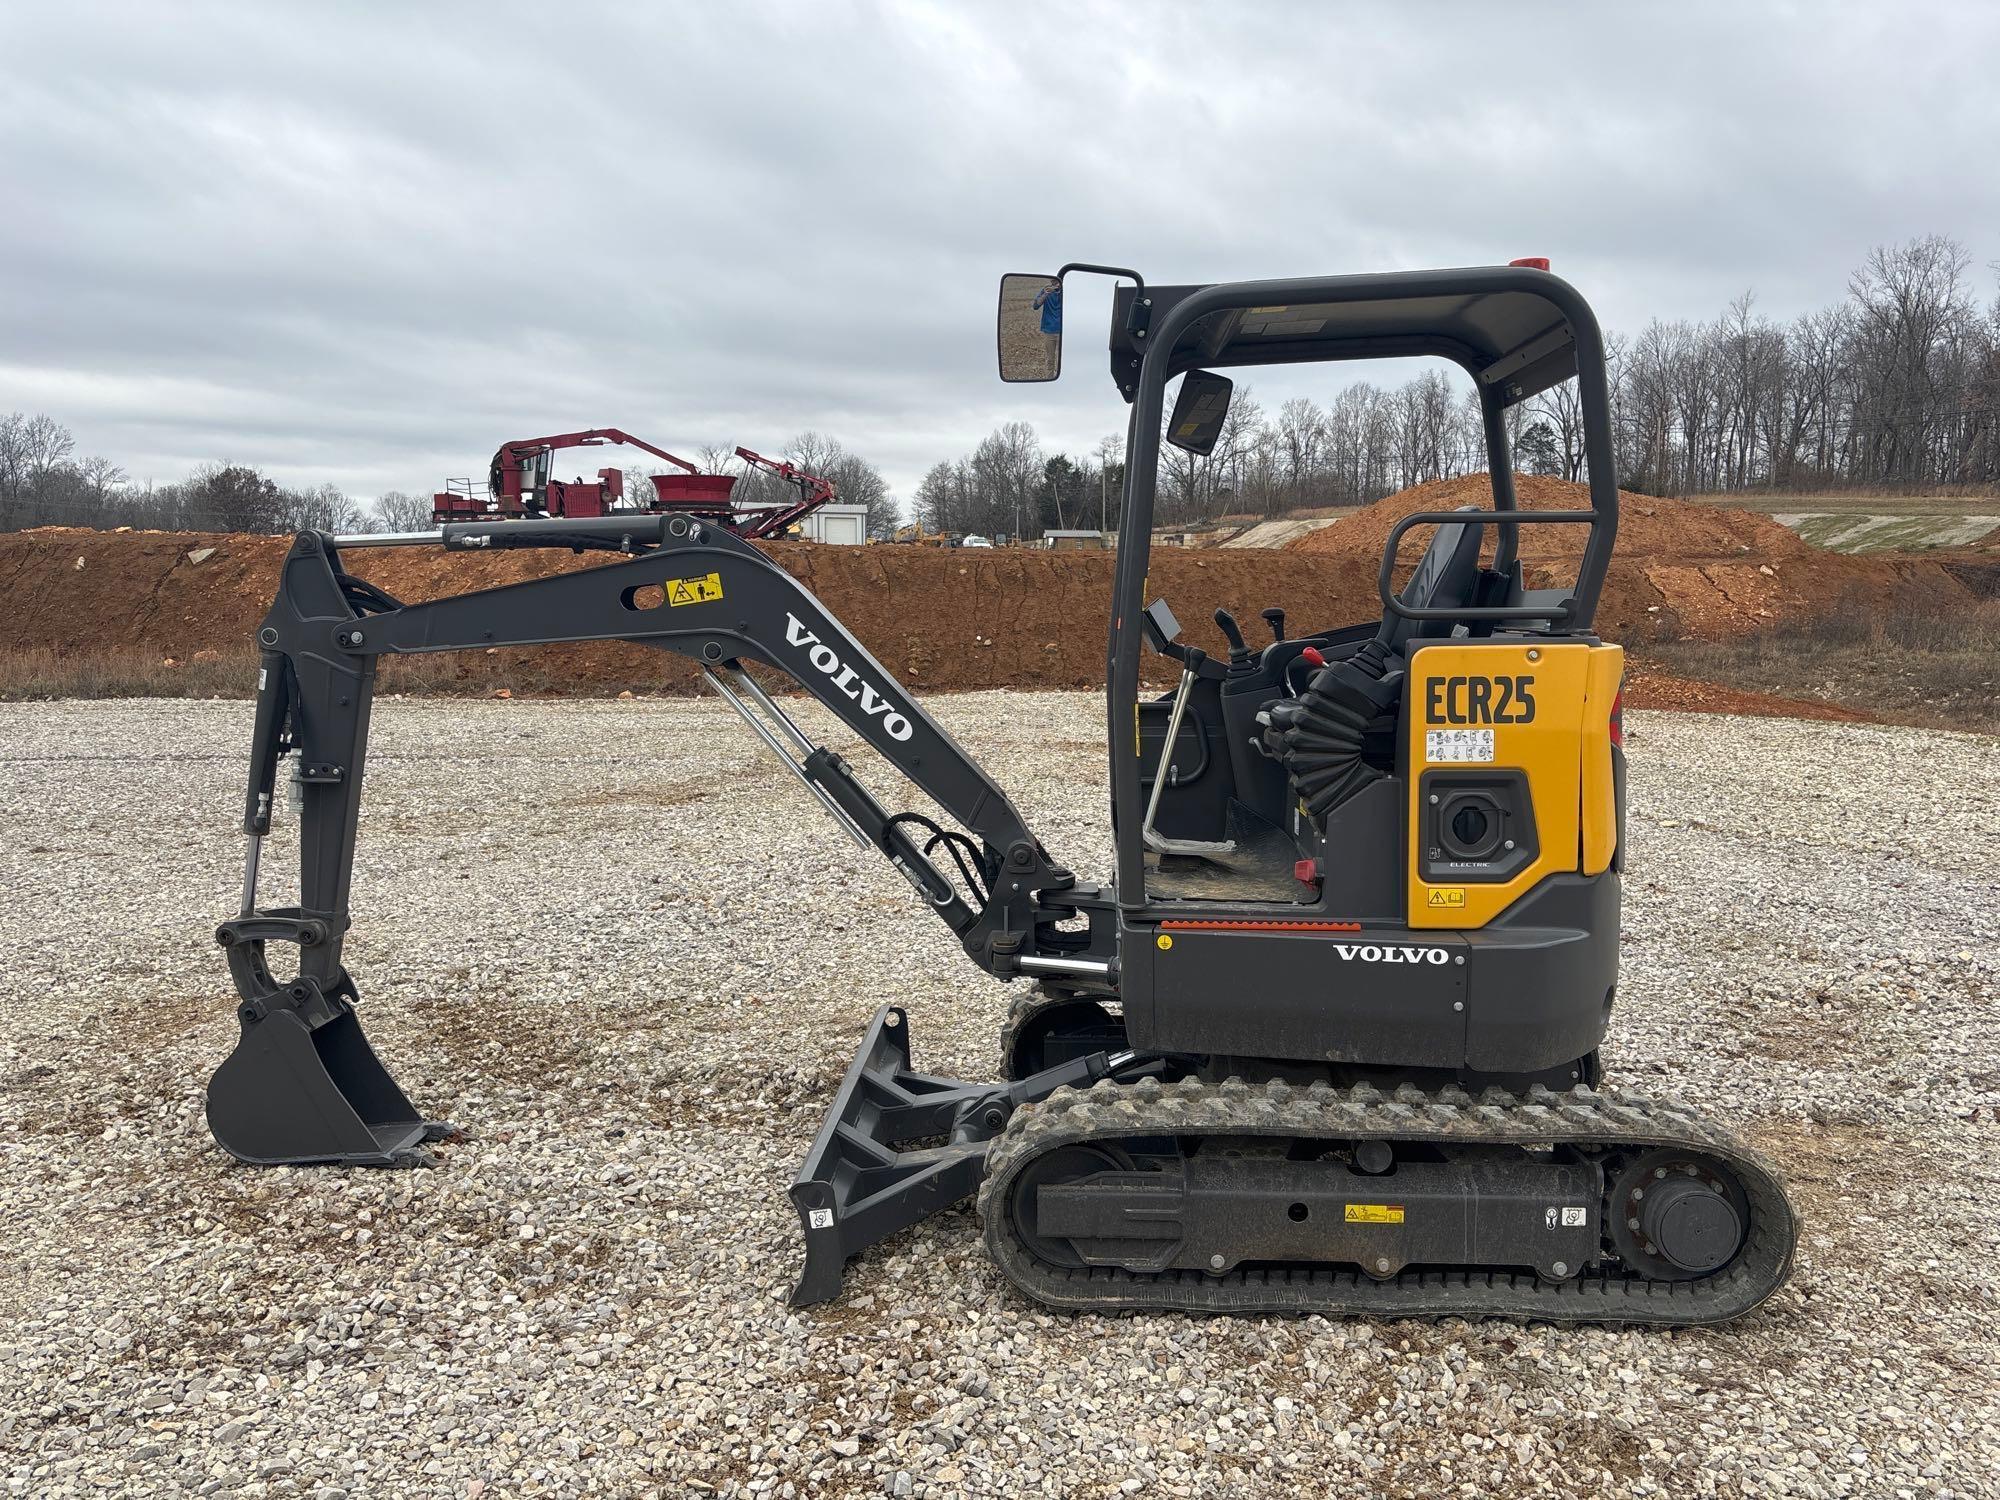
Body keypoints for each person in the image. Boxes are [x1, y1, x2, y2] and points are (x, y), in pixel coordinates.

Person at [1032, 278, 1062, 372]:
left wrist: (1059, 289)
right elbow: (1036, 306)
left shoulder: (1065, 291)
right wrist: (1046, 294)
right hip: (1049, 330)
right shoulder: (1046, 290)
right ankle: (1050, 378)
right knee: (1050, 359)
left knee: (1063, 359)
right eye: (1052, 280)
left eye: (1056, 280)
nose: (1053, 282)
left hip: (1063, 331)